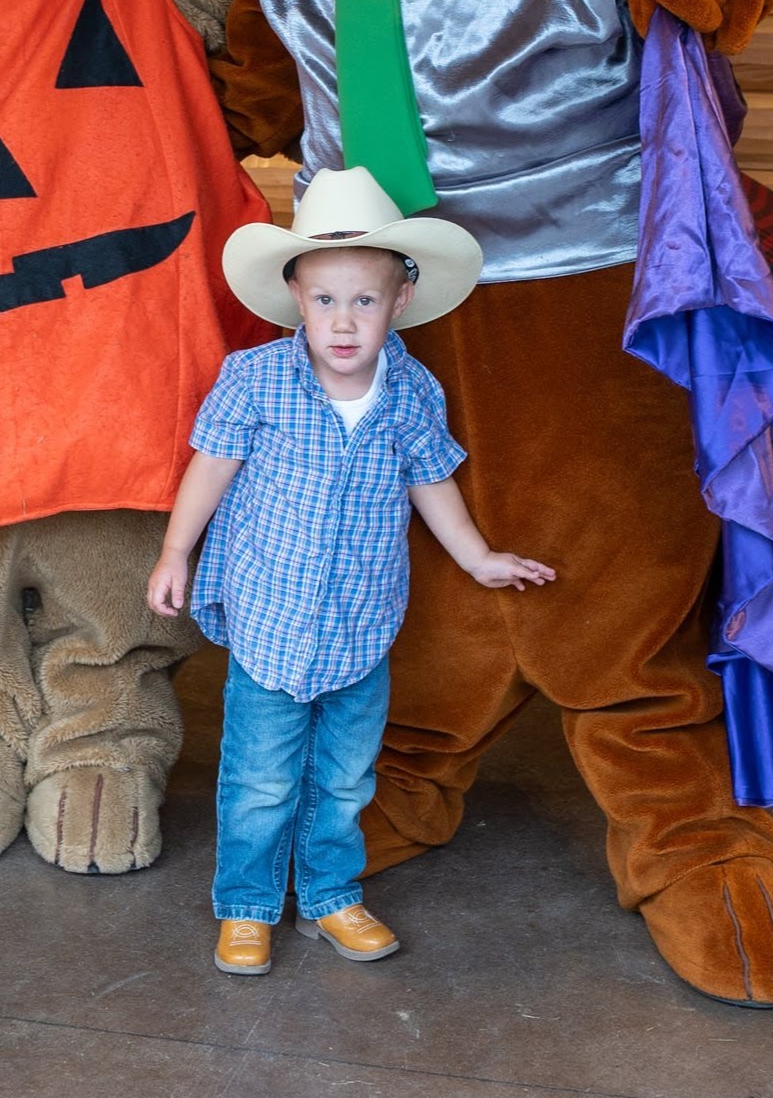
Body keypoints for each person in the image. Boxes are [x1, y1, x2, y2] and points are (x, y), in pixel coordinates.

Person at [146, 167, 556, 976]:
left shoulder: (412, 391)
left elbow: (431, 480)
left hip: (362, 622)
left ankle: (330, 895)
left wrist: (477, 557)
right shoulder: (255, 380)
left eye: (363, 301)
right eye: (324, 300)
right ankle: (247, 904)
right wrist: (174, 552)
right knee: (261, 778)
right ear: (295, 299)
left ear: (398, 302)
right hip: (272, 616)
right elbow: (211, 465)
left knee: (343, 780)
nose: (343, 320)